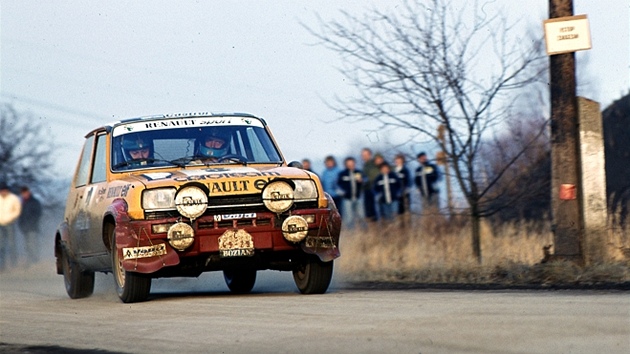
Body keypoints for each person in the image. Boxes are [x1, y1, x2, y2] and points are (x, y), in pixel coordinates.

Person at [337, 157, 367, 230]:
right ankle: (351, 234)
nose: (351, 165)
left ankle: (365, 232)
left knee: (362, 216)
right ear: (346, 164)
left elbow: (366, 180)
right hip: (347, 199)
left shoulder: (358, 172)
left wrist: (362, 181)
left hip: (358, 197)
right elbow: (338, 185)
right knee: (349, 218)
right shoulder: (342, 174)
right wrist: (342, 192)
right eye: (349, 164)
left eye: (352, 163)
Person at [0, 182, 22, 271]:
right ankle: (2, 264)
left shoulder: (13, 199)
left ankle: (13, 262)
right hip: (0, 224)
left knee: (12, 243)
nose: (3, 192)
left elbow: (17, 210)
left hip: (10, 223)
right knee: (1, 245)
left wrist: (11, 218)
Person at [18, 186, 42, 264]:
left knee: (33, 243)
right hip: (24, 226)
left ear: (29, 192)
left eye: (26, 193)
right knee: (26, 244)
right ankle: (29, 258)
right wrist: (21, 224)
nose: (25, 194)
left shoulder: (34, 202)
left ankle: (35, 259)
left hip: (33, 226)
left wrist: (33, 222)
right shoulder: (21, 203)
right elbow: (20, 215)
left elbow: (38, 213)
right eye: (23, 193)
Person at [360, 148, 380, 222]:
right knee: (369, 211)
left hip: (374, 190)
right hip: (367, 190)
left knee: (375, 211)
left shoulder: (373, 164)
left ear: (370, 155)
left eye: (365, 155)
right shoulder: (365, 165)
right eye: (363, 155)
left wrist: (364, 180)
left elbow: (374, 177)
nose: (364, 157)